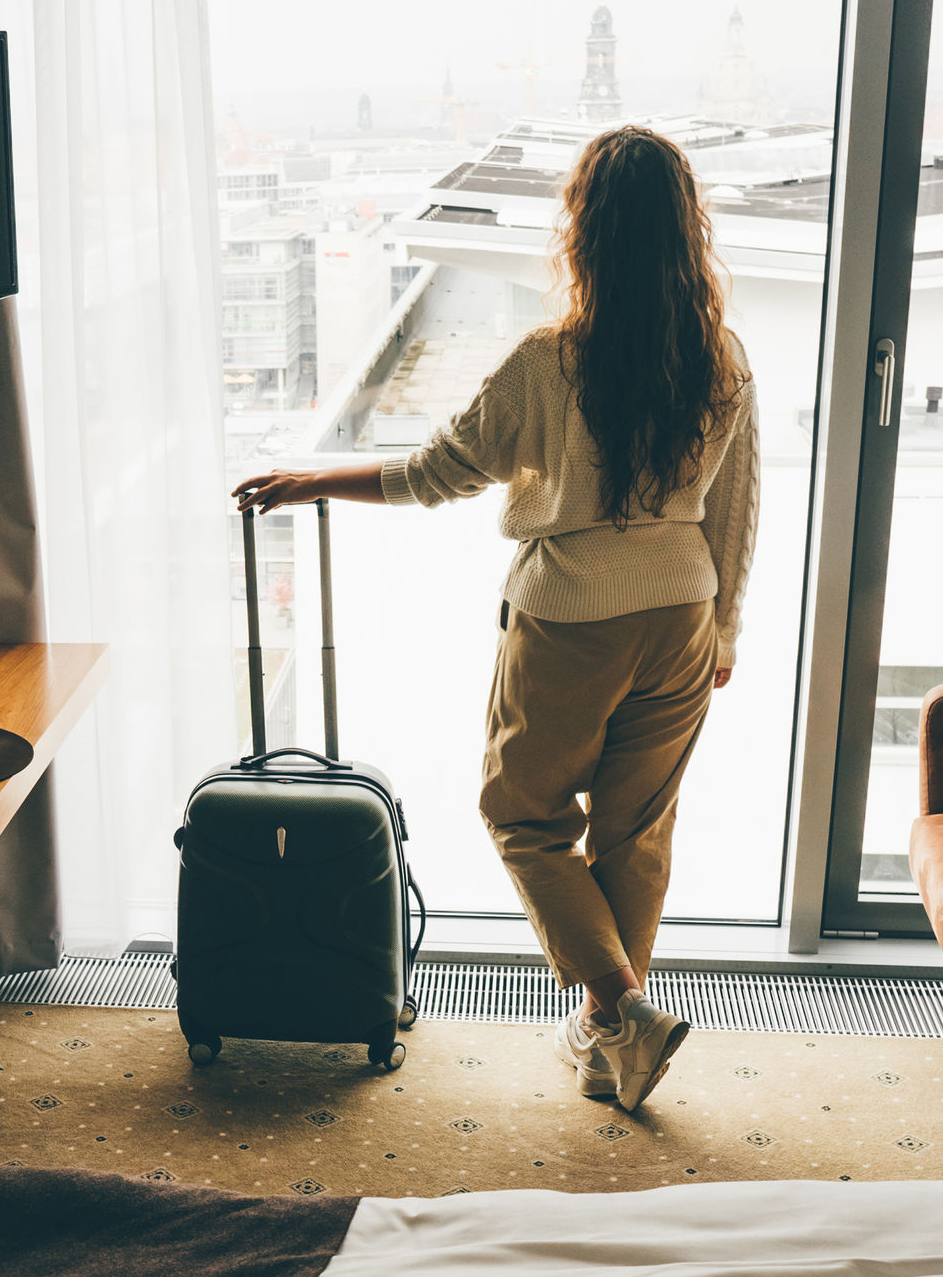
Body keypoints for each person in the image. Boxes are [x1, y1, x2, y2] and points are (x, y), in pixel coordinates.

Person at [232, 127, 755, 1110]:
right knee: (636, 836)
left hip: (571, 620)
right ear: (689, 232)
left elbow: (437, 475)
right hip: (683, 613)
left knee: (522, 816)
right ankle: (613, 1046)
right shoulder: (720, 356)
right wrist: (724, 632)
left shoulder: (549, 359)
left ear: (583, 230)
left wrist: (313, 480)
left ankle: (618, 1011)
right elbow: (736, 507)